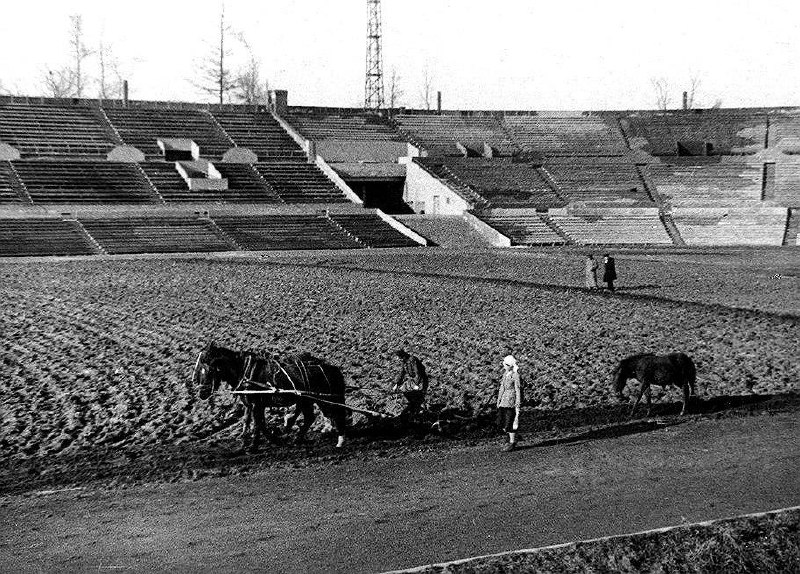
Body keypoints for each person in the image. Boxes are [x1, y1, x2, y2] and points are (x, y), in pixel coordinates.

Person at [392, 349, 429, 423]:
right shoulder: (404, 362)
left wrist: (416, 384)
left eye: (400, 357)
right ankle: (413, 406)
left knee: (417, 395)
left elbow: (418, 373)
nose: (399, 359)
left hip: (421, 380)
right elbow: (402, 373)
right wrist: (397, 384)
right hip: (413, 380)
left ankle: (421, 409)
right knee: (403, 389)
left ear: (403, 356)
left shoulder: (412, 360)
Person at [496, 355, 521, 452]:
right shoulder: (505, 374)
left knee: (509, 421)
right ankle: (511, 438)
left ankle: (512, 442)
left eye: (506, 365)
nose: (504, 366)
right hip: (503, 401)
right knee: (502, 421)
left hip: (511, 401)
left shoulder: (515, 375)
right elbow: (502, 387)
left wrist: (518, 401)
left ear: (511, 365)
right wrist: (498, 400)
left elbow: (517, 389)